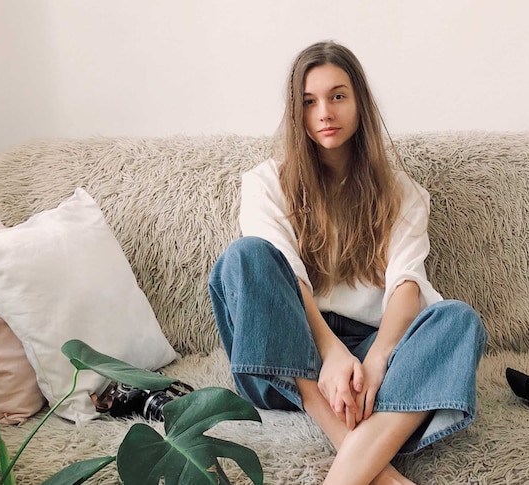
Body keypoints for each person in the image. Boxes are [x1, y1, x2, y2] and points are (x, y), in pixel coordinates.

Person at [208, 40, 486, 485]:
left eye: (338, 96)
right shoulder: (265, 184)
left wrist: (375, 361)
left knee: (459, 320)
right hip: (282, 356)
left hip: (369, 350)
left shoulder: (403, 193)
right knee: (246, 257)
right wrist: (329, 353)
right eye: (309, 101)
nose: (324, 112)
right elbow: (286, 277)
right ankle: (364, 462)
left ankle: (355, 462)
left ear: (359, 102)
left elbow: (406, 284)